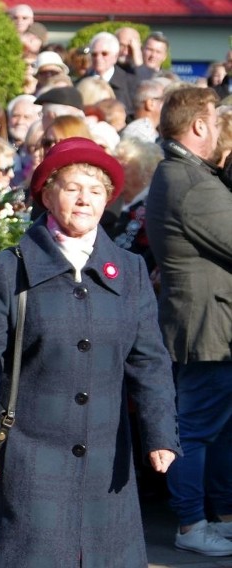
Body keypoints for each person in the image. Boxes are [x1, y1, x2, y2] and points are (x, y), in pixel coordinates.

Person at [0, 136, 179, 567]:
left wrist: (161, 434)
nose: (84, 200)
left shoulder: (128, 271)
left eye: (96, 191)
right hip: (24, 459)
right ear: (47, 193)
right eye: (73, 187)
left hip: (105, 464)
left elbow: (149, 360)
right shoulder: (9, 267)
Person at [145, 87, 232, 556]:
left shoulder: (183, 172)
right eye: (216, 122)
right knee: (196, 429)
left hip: (207, 322)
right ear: (199, 125)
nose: (220, 131)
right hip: (209, 327)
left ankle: (213, 515)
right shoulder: (193, 183)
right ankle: (192, 525)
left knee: (215, 428)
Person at [109, 137, 163, 272]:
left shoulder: (154, 207)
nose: (115, 173)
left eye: (123, 167)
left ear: (145, 172)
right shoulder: (109, 202)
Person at [80, 32, 138, 120]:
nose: (98, 58)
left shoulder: (130, 83)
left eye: (104, 54)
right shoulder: (81, 83)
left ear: (115, 56)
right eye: (94, 54)